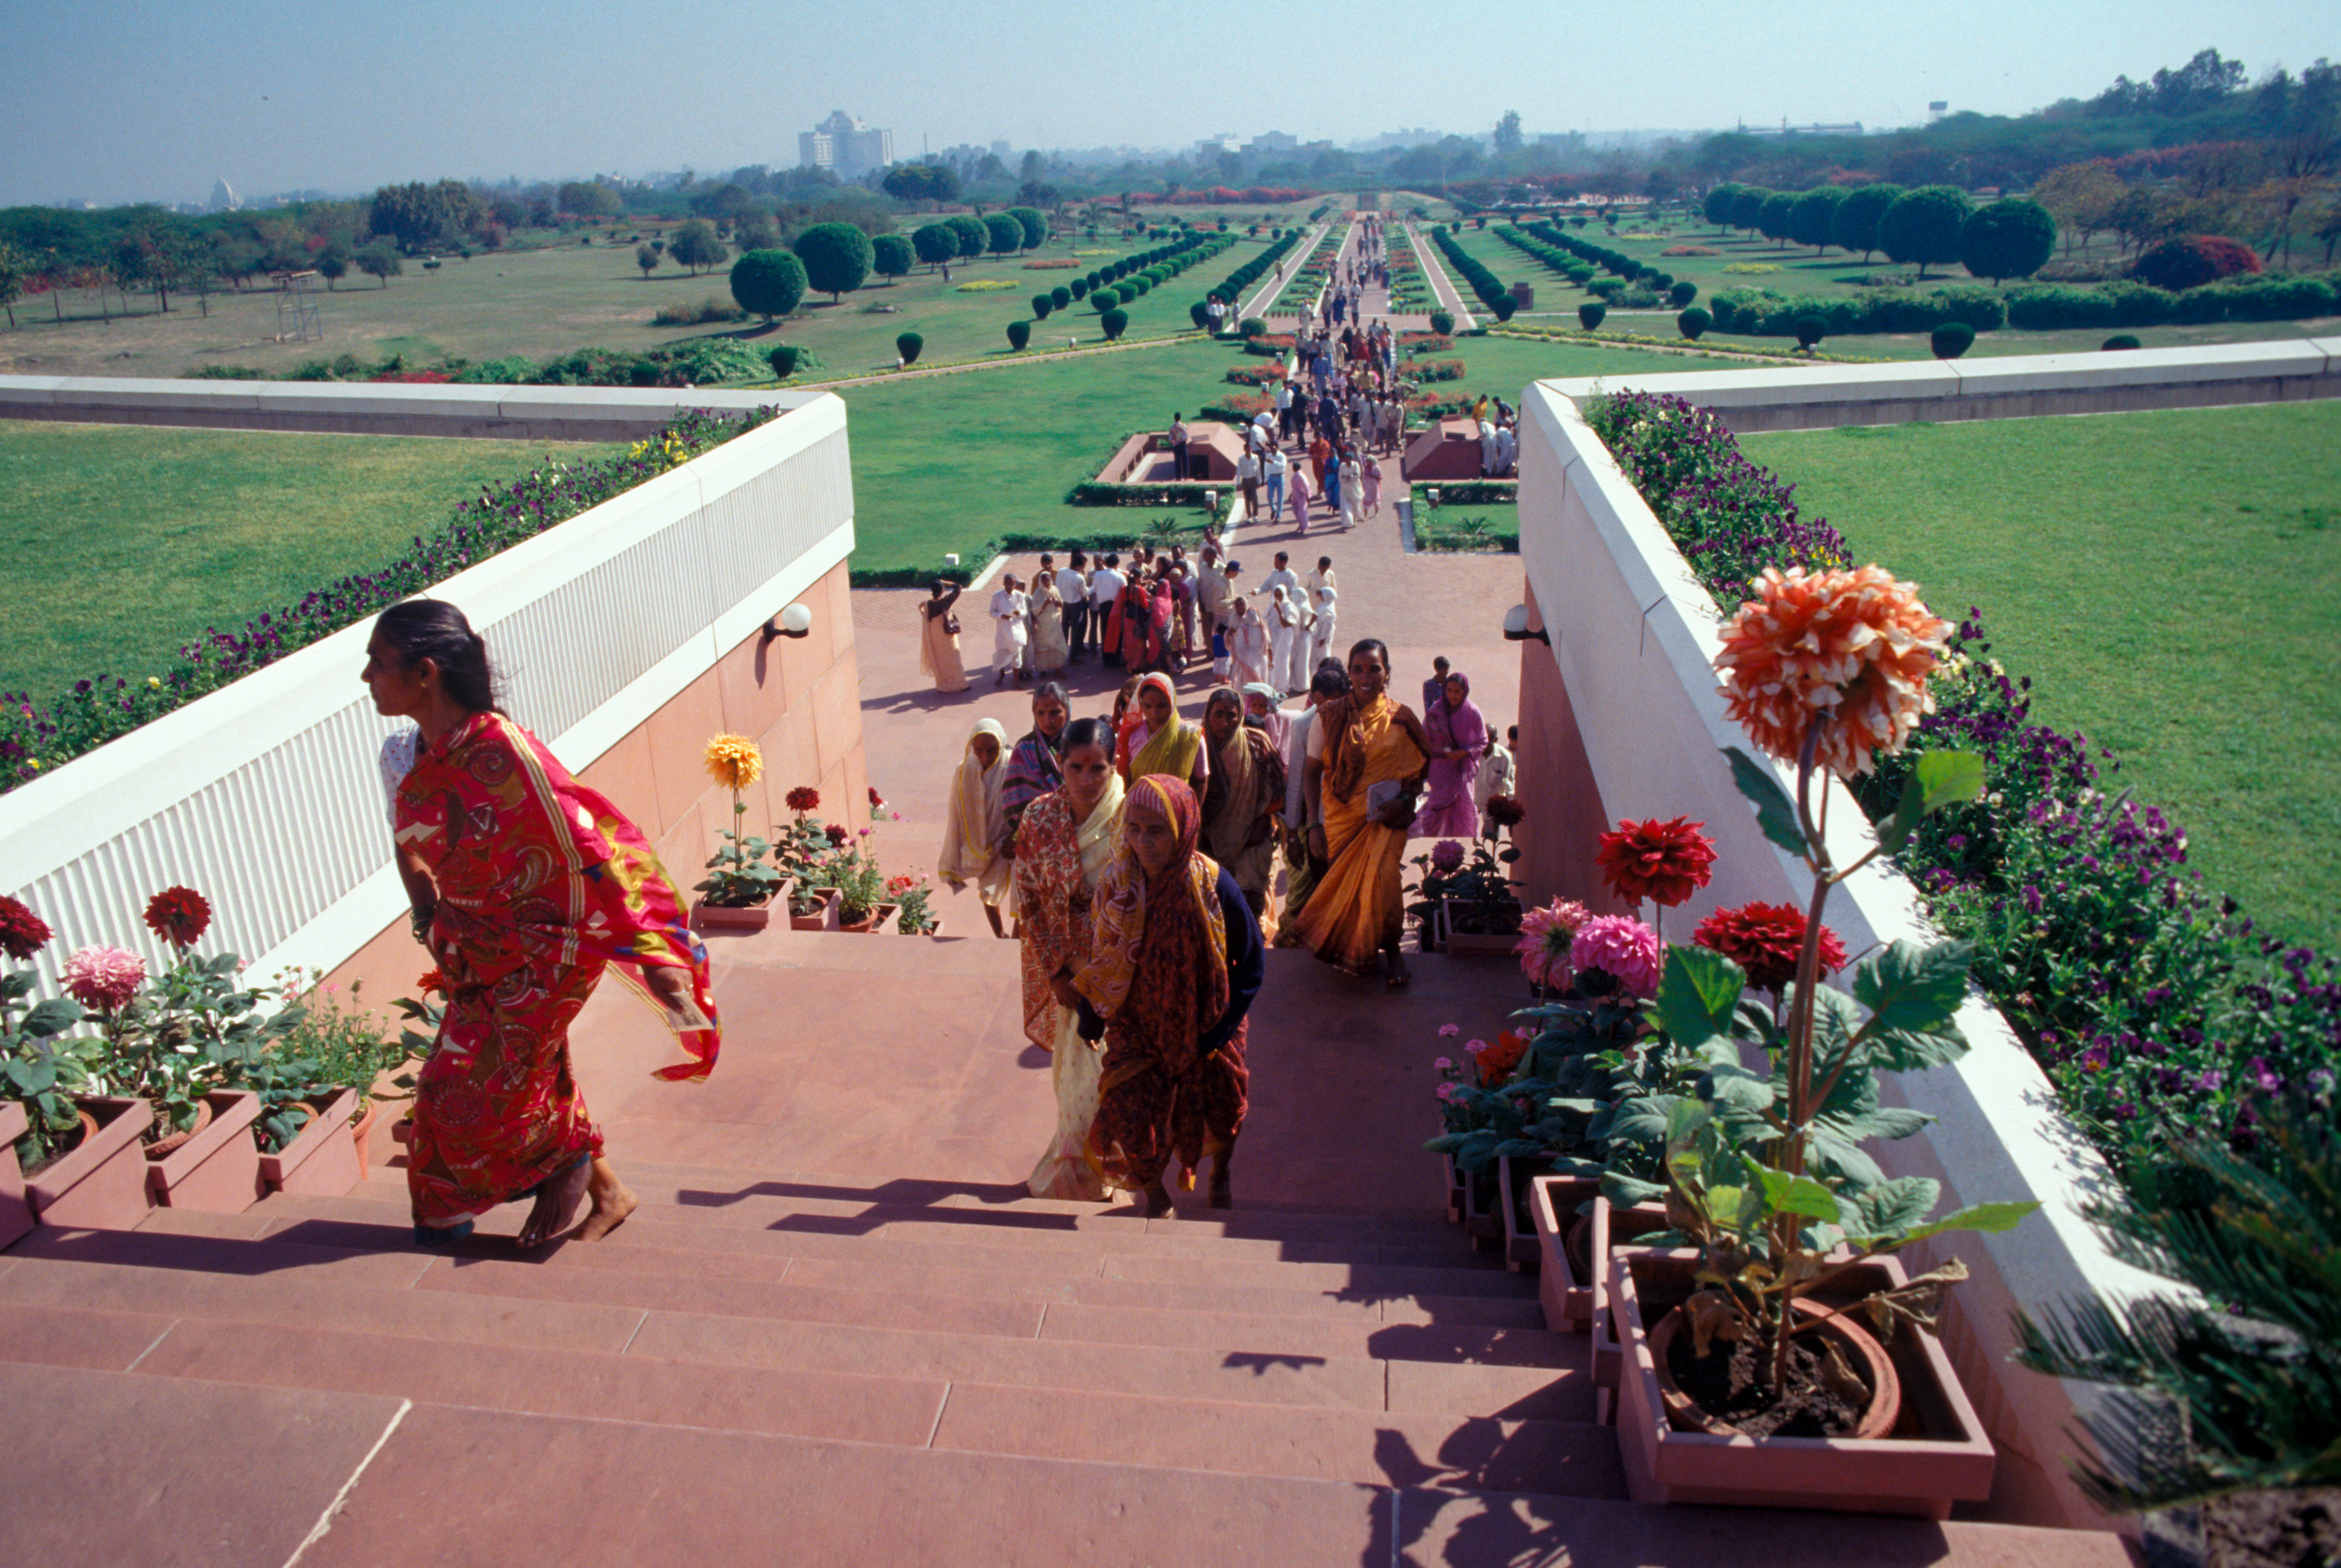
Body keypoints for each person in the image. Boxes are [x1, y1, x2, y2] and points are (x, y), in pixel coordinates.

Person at [363, 598, 716, 1250]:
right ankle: (606, 1188)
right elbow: (407, 842)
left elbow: (596, 847)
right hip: (471, 949)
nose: (366, 678)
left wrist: (655, 954)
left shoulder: (506, 754)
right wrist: (427, 916)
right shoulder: (402, 756)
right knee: (526, 1074)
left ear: (426, 673)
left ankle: (487, 1212)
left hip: (546, 952)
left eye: (378, 663)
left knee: (454, 1092)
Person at [1058, 776, 1261, 1215]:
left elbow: (1251, 963)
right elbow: (1105, 958)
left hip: (1208, 1023)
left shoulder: (1212, 886)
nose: (1142, 842)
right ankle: (1157, 1198)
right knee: (1127, 1109)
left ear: (1183, 829)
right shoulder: (1118, 886)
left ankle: (1219, 1173)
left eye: (1156, 831)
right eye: (1133, 829)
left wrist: (1220, 1030)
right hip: (1139, 1024)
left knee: (1224, 1109)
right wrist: (1093, 1015)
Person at [1014, 717, 1125, 1201]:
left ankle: (1109, 1164)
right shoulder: (1040, 819)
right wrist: (1057, 970)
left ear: (1114, 765)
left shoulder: (1132, 816)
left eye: (1097, 768)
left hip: (1119, 971)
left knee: (1112, 1075)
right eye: (1076, 767)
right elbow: (1030, 898)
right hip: (1066, 972)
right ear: (1061, 765)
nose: (1086, 780)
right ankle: (1077, 1168)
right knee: (1073, 1076)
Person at [1296, 639, 1431, 989]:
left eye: (1374, 668)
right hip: (1342, 822)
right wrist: (1313, 824)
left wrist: (1402, 804)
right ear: (1349, 672)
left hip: (1384, 822)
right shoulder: (1328, 716)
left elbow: (1419, 774)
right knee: (1349, 893)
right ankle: (1350, 949)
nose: (1365, 676)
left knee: (1385, 883)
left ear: (1387, 673)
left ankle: (1393, 951)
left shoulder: (1402, 720)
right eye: (1357, 668)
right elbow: (1311, 773)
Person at [1274, 663, 1349, 946]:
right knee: (1316, 887)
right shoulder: (1305, 724)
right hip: (1316, 823)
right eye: (1319, 707)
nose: (1325, 714)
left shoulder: (1360, 722)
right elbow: (1296, 780)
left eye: (1332, 706)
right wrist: (1292, 832)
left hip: (1351, 821)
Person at [1199, 688, 1285, 918]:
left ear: (1241, 716)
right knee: (1212, 909)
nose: (1225, 722)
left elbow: (1279, 788)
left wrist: (1264, 819)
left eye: (1231, 715)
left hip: (1251, 838)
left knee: (1248, 908)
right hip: (1209, 841)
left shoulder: (1257, 742)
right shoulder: (1197, 745)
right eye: (1218, 714)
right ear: (1208, 715)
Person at [940, 717, 1015, 937]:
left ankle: (1020, 936)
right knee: (987, 892)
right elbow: (956, 810)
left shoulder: (1012, 765)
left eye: (992, 750)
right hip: (983, 843)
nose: (985, 757)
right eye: (979, 750)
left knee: (1022, 895)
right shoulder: (964, 770)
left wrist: (1017, 836)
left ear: (1001, 744)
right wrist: (956, 849)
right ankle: (1000, 934)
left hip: (1011, 840)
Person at [1411, 671, 1488, 840]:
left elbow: (1482, 741)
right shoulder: (1436, 710)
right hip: (1440, 769)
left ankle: (1464, 846)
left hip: (1461, 770)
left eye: (1457, 691)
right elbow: (1425, 739)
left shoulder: (1472, 712)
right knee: (1436, 808)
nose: (1453, 695)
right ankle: (1431, 841)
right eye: (1449, 690)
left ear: (1465, 692)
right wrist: (1443, 751)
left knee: (1465, 805)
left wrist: (1463, 752)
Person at [1002, 682, 1071, 847]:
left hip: (1081, 829)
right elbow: (1015, 799)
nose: (1048, 719)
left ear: (1067, 712)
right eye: (1041, 713)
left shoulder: (1081, 742)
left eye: (1055, 712)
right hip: (1038, 836)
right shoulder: (1024, 749)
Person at [1124, 671, 1208, 794]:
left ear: (1172, 702)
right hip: (1139, 809)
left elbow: (1201, 781)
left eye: (1162, 706)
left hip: (1177, 810)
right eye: (1147, 706)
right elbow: (1125, 780)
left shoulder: (1191, 735)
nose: (1154, 713)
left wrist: (1194, 812)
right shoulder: (1131, 734)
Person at [918, 579, 968, 695]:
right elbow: (958, 587)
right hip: (946, 634)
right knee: (953, 659)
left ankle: (943, 685)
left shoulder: (928, 604)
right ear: (942, 590)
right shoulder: (945, 602)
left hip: (935, 634)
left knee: (940, 659)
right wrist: (944, 582)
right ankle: (958, 685)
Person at [1477, 723, 1518, 841]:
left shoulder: (1504, 757)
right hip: (1474, 801)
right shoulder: (1473, 753)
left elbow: (1510, 784)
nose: (1483, 745)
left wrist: (1510, 808)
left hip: (1493, 803)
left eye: (1486, 742)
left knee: (1490, 834)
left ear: (1495, 740)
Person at [990, 575, 1029, 688]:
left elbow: (1025, 612)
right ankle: (1002, 675)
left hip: (1017, 632)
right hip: (1003, 631)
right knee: (1000, 656)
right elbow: (992, 612)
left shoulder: (1020, 595)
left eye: (1013, 585)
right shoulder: (997, 596)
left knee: (1017, 659)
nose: (1011, 587)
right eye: (1008, 584)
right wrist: (1002, 616)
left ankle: (1016, 683)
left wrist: (1019, 613)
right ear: (1004, 584)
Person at [1091, 553, 1127, 669]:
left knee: (1105, 631)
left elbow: (1095, 589)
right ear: (1117, 564)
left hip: (1103, 606)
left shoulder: (1098, 575)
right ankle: (1115, 659)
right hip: (1116, 606)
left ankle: (1106, 659)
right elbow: (1125, 592)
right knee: (1117, 632)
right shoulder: (1120, 576)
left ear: (1106, 563)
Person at [1266, 584, 1303, 697]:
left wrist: (1279, 610)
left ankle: (1283, 687)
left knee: (1283, 661)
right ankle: (1272, 685)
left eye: (1280, 595)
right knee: (1274, 660)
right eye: (1276, 595)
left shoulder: (1288, 607)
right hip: (1275, 635)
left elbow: (1286, 624)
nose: (1278, 597)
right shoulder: (1274, 604)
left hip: (1285, 636)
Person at [1225, 596, 1268, 690]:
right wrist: (1230, 633)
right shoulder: (1232, 617)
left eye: (1242, 605)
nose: (1240, 608)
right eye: (1238, 605)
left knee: (1244, 673)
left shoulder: (1249, 617)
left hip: (1246, 652)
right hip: (1237, 646)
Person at [1030, 568, 1068, 674]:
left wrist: (1055, 601)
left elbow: (1061, 604)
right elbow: (1034, 611)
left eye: (1048, 580)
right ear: (1040, 582)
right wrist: (1045, 604)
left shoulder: (1055, 590)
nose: (1047, 583)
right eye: (1044, 581)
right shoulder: (1037, 594)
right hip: (1043, 624)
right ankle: (1043, 669)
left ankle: (1057, 669)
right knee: (1043, 648)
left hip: (1054, 622)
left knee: (1057, 646)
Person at [1057, 550, 1090, 662]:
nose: (1084, 568)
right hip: (1076, 605)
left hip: (1064, 604)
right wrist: (1094, 587)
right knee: (1076, 630)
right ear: (1078, 566)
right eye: (1083, 566)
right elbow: (1085, 593)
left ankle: (1062, 652)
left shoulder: (1061, 571)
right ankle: (1073, 656)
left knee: (1065, 628)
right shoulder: (1079, 577)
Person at [1310, 584, 1339, 671]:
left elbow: (1328, 626)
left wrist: (1322, 638)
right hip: (1320, 632)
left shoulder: (1329, 610)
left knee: (1323, 653)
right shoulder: (1326, 605)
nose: (1321, 597)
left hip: (1323, 635)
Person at [1264, 445, 1288, 524]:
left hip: (1280, 477)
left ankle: (1278, 516)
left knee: (1280, 497)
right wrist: (1266, 479)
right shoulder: (1269, 456)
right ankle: (1273, 510)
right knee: (1269, 496)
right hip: (1271, 477)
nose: (1273, 450)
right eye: (1272, 448)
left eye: (1274, 448)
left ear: (1277, 448)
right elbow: (1266, 467)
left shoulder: (1282, 456)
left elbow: (1283, 466)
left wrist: (1273, 462)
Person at [1288, 462, 1313, 535]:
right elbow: (1294, 487)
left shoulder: (1301, 476)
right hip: (1296, 495)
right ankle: (1301, 525)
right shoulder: (1296, 475)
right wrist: (1291, 495)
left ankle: (1303, 528)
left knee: (1302, 512)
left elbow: (1306, 486)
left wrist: (1308, 496)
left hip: (1302, 496)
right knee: (1296, 510)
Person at [1236, 447, 1260, 522]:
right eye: (1247, 449)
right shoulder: (1241, 458)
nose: (1248, 451)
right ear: (1245, 450)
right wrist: (1238, 483)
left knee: (1254, 499)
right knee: (1247, 500)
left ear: (1251, 450)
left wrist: (1259, 480)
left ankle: (1255, 515)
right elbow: (1239, 470)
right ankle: (1249, 516)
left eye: (1250, 449)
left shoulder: (1255, 458)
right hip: (1245, 480)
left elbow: (1258, 469)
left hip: (1253, 480)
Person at [1169, 412, 1190, 481]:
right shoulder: (1184, 425)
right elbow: (1187, 436)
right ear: (1180, 418)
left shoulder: (1172, 427)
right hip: (1183, 445)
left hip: (1176, 446)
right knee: (1185, 461)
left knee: (1177, 462)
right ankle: (1186, 477)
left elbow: (1170, 439)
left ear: (1174, 418)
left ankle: (1178, 478)